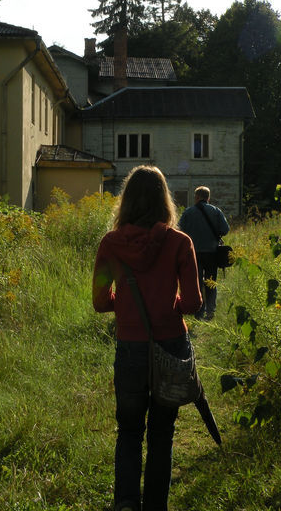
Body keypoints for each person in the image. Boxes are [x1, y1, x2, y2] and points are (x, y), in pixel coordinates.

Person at [92, 165, 202, 511]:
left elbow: (99, 302)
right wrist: (169, 305)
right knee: (161, 434)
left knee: (128, 431)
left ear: (126, 201)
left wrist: (123, 305)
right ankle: (155, 505)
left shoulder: (110, 244)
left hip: (130, 348)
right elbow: (195, 304)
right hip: (170, 346)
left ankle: (126, 503)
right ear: (164, 199)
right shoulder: (180, 243)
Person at [178, 186, 230, 321]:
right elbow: (225, 230)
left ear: (196, 197)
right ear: (208, 197)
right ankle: (210, 311)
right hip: (212, 252)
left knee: (197, 283)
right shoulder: (216, 211)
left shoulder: (188, 212)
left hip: (193, 253)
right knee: (211, 282)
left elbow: (179, 231)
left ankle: (198, 311)